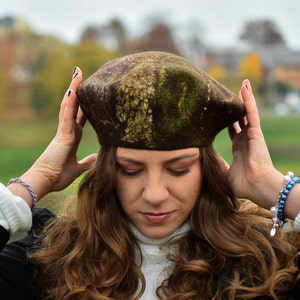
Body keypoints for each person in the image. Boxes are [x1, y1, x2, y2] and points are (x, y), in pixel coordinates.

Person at [0, 51, 300, 299]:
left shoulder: (264, 264)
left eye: (178, 169)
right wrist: (36, 180)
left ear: (206, 167)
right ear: (107, 170)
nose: (155, 195)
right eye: (130, 170)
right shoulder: (48, 261)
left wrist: (274, 186)